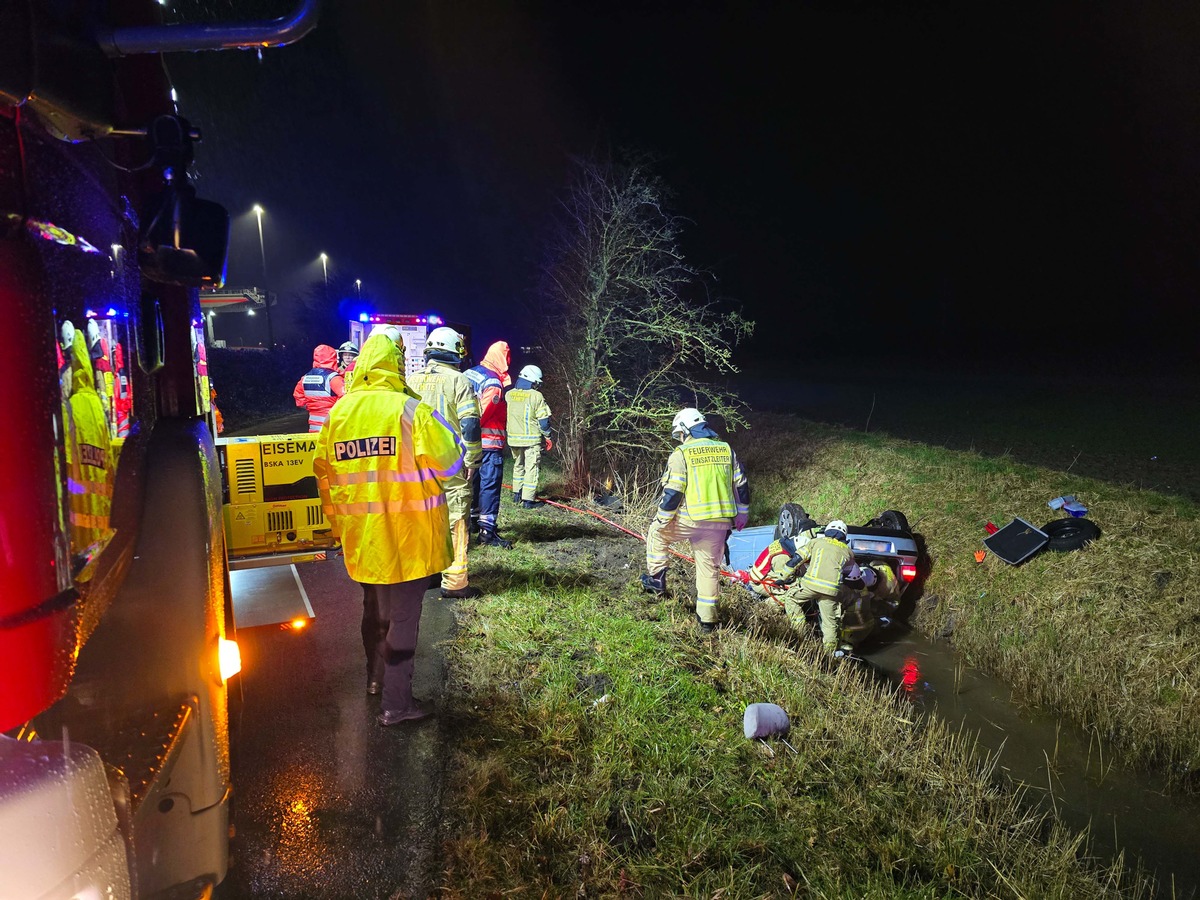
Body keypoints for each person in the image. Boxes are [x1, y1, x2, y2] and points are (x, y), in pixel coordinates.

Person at [313, 331, 464, 726]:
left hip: (364, 540)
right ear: (397, 366)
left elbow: (324, 478)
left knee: (373, 613)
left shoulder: (338, 415)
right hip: (410, 539)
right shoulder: (411, 411)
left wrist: (339, 528)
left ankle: (375, 683)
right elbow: (451, 466)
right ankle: (396, 706)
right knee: (403, 619)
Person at [640, 407, 750, 634]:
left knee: (656, 534)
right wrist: (742, 513)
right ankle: (707, 621)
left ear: (685, 431)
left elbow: (673, 493)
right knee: (709, 568)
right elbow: (741, 484)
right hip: (720, 523)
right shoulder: (726, 450)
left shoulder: (682, 454)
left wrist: (662, 519)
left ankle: (656, 581)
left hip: (690, 518)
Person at [408, 326, 483, 598]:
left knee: (423, 518)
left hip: (415, 465)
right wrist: (473, 458)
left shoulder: (411, 381)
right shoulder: (459, 381)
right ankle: (454, 583)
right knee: (455, 521)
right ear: (456, 352)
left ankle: (426, 575)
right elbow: (471, 424)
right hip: (449, 464)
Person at [786, 519, 863, 654]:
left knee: (790, 599)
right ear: (844, 536)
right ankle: (829, 655)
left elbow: (797, 559)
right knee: (830, 623)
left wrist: (783, 576)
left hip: (810, 586)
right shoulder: (848, 552)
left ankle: (801, 633)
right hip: (831, 590)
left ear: (827, 531)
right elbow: (850, 575)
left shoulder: (816, 542)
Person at [465, 340, 513, 548]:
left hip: (467, 442)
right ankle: (487, 532)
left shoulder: (470, 373)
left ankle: (473, 522)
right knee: (489, 485)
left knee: (472, 483)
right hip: (488, 443)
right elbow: (481, 415)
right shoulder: (493, 383)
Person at [506, 365, 552, 508]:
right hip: (531, 440)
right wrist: (548, 436)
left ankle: (516, 494)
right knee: (531, 468)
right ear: (532, 380)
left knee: (518, 465)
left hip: (513, 439)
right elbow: (543, 421)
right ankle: (528, 501)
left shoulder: (509, 394)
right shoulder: (536, 396)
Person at [293, 344, 345, 432]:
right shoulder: (334, 378)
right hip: (332, 425)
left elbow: (299, 400)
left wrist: (313, 406)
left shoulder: (305, 378)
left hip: (313, 426)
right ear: (333, 358)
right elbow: (346, 398)